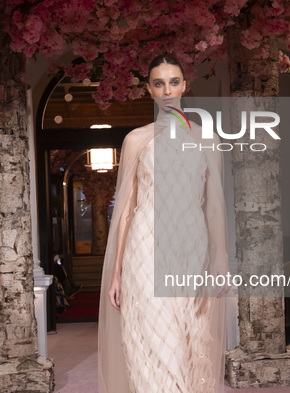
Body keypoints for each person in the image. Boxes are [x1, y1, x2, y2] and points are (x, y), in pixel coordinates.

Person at [98, 54, 231, 393]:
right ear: (149, 90)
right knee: (153, 341)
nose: (167, 90)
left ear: (185, 85)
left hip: (193, 246)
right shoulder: (136, 140)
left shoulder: (207, 139)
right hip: (145, 247)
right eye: (159, 83)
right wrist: (117, 272)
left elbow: (214, 206)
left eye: (174, 82)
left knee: (193, 341)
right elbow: (126, 209)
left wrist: (221, 259)